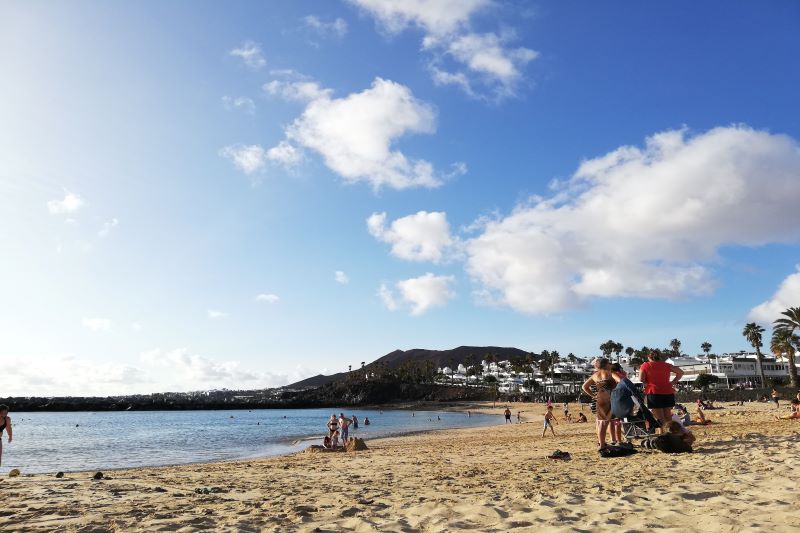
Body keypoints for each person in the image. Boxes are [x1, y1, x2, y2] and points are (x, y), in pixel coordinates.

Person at [581, 358, 621, 450]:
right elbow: (620, 381)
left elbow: (584, 386)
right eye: (609, 363)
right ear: (606, 365)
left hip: (600, 399)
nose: (610, 365)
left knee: (601, 422)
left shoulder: (595, 375)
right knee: (615, 421)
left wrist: (593, 395)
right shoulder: (610, 373)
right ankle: (617, 441)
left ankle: (602, 444)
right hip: (610, 398)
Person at [639, 352, 683, 431]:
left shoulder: (645, 365)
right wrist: (673, 382)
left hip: (654, 392)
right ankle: (672, 433)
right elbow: (680, 372)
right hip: (668, 392)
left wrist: (647, 381)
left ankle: (667, 435)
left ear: (649, 358)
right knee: (668, 416)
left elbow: (641, 379)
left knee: (660, 418)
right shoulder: (666, 365)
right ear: (659, 357)